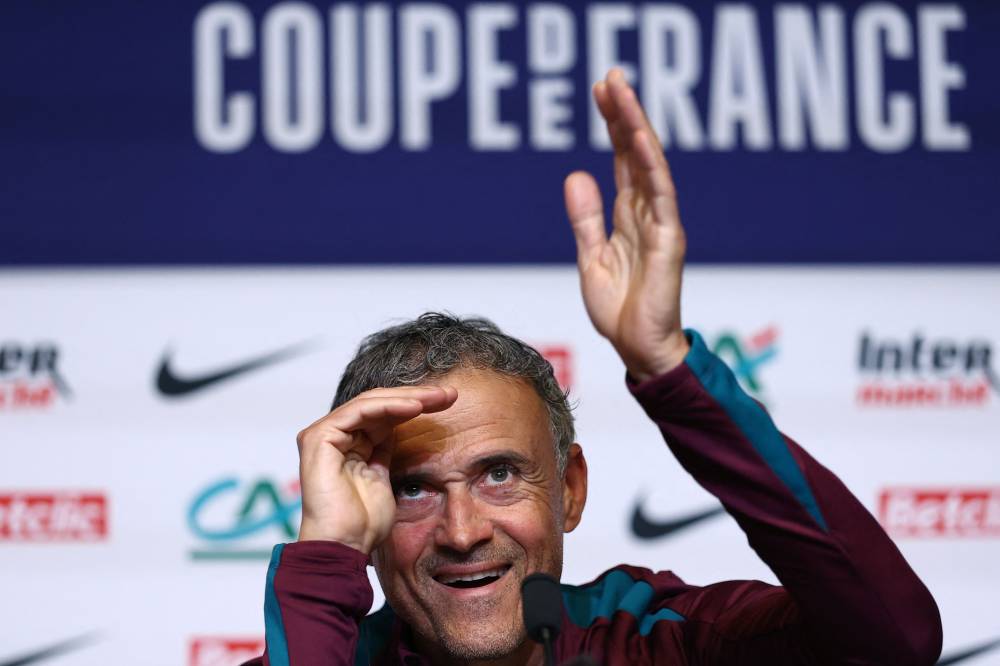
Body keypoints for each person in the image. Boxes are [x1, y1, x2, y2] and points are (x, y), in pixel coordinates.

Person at [244, 70, 942, 665]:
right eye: (413, 489)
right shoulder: (318, 650)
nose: (461, 533)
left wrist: (671, 370)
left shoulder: (652, 638)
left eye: (499, 474)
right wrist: (326, 561)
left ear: (570, 488)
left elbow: (892, 640)